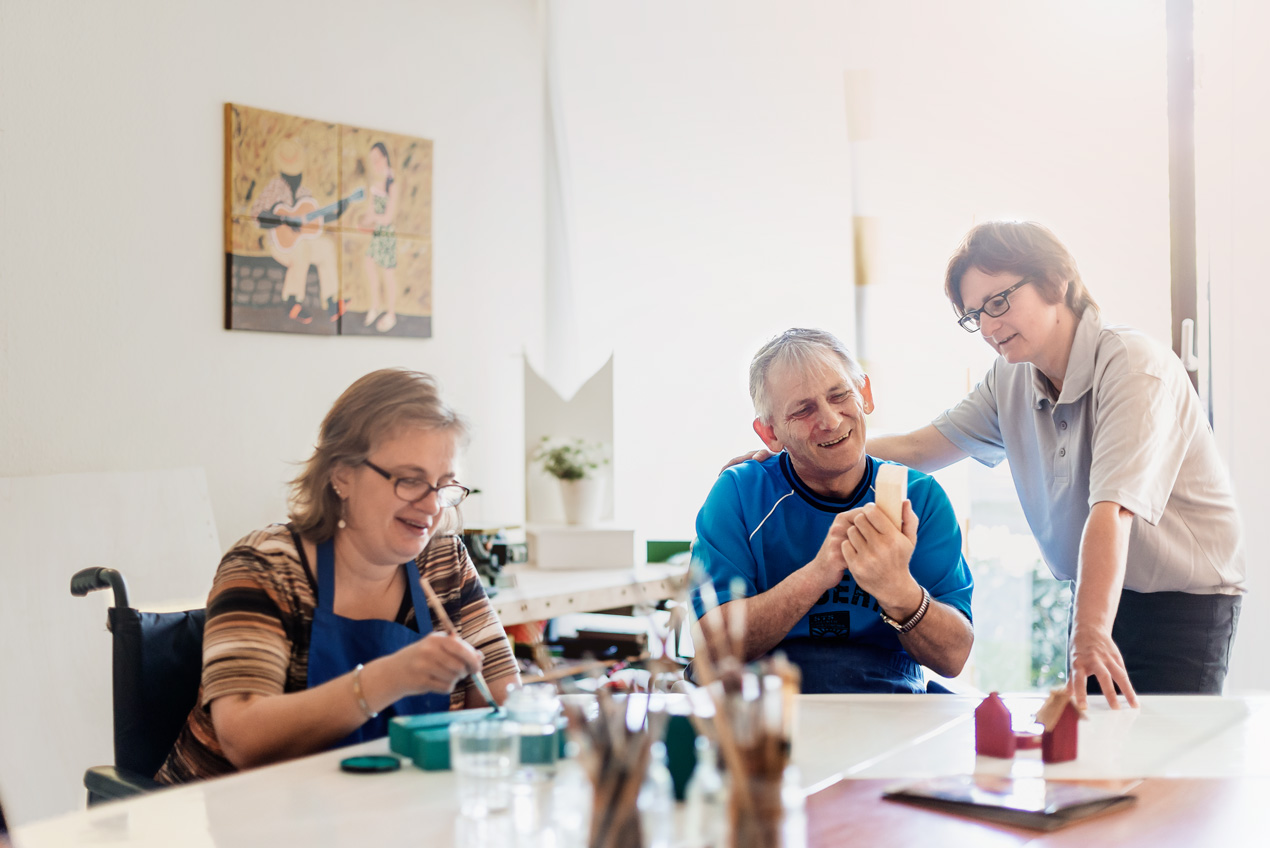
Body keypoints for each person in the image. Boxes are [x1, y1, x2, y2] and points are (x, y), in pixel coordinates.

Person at [729, 222, 1246, 707]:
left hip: (1181, 605)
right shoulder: (1011, 378)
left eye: (999, 302)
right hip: (1096, 589)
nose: (990, 326)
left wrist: (1089, 634)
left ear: (1057, 280)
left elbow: (1111, 513)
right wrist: (804, 448)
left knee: (1161, 771)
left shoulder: (1133, 368)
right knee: (1099, 760)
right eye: (976, 315)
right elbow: (920, 447)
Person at [156, 369, 519, 783]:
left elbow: (499, 689)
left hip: (383, 810)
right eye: (410, 481)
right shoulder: (267, 565)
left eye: (444, 485)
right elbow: (244, 739)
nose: (433, 506)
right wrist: (387, 679)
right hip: (230, 818)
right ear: (341, 474)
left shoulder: (443, 562)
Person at [693, 328, 974, 694]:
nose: (831, 420)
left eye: (839, 395)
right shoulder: (739, 494)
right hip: (765, 706)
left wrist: (898, 589)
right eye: (803, 410)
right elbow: (712, 650)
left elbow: (953, 659)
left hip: (886, 700)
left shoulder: (920, 498)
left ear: (865, 395)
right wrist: (817, 574)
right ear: (770, 433)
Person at [250, 138, 353, 325]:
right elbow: (256, 215)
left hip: (299, 243)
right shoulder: (273, 188)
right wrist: (283, 220)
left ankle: (332, 301)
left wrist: (340, 210)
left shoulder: (305, 192)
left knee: (326, 246)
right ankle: (293, 302)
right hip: (280, 246)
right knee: (301, 247)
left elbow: (315, 221)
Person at [358, 141, 401, 333]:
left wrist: (374, 218)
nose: (375, 163)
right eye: (372, 160)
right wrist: (363, 221)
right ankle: (375, 305)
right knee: (368, 264)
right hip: (377, 235)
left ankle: (391, 313)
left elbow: (388, 217)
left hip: (387, 236)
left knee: (388, 273)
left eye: (377, 159)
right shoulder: (375, 186)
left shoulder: (393, 184)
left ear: (384, 158)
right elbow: (370, 213)